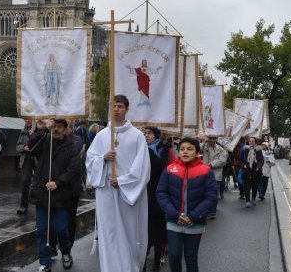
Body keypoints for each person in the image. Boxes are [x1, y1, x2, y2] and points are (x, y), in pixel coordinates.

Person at [86, 95, 151, 272]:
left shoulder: (137, 136)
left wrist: (122, 181)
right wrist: (103, 158)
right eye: (113, 106)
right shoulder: (101, 136)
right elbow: (90, 162)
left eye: (120, 106)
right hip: (106, 190)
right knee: (109, 233)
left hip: (127, 193)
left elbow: (143, 169)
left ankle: (130, 267)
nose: (116, 109)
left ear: (127, 109)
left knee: (128, 232)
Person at [156, 137, 217, 272]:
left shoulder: (206, 171)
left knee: (191, 257)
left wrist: (194, 216)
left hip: (195, 223)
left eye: (190, 149)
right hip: (173, 222)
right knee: (174, 255)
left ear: (197, 152)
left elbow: (211, 197)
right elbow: (161, 193)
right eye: (182, 149)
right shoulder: (169, 170)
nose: (185, 152)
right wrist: (174, 214)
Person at [28, 118, 82, 272]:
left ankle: (66, 252)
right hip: (42, 193)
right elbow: (31, 147)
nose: (56, 129)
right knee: (42, 231)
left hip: (61, 195)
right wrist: (44, 129)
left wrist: (58, 182)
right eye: (54, 127)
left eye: (59, 127)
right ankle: (45, 262)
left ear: (65, 129)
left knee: (60, 229)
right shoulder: (45, 142)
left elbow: (74, 170)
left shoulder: (71, 147)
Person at [143, 126, 169, 272]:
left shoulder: (163, 150)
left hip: (158, 195)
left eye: (150, 133)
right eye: (145, 133)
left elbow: (163, 167)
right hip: (142, 195)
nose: (146, 135)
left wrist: (147, 151)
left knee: (158, 231)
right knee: (144, 230)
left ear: (156, 135)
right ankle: (143, 258)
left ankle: (157, 258)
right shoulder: (139, 148)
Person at [16, 119, 40, 215]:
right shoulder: (23, 131)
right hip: (27, 159)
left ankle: (41, 204)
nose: (28, 121)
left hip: (39, 159)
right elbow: (17, 147)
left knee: (40, 181)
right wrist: (23, 147)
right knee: (25, 181)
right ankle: (23, 205)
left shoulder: (40, 130)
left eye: (30, 119)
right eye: (26, 119)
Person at [200, 136, 227, 218]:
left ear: (216, 139)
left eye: (214, 138)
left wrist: (211, 164)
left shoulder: (221, 149)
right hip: (202, 174)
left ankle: (212, 211)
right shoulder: (202, 146)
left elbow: (223, 160)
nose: (212, 140)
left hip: (215, 175)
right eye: (210, 138)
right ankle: (204, 209)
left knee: (213, 194)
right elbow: (196, 149)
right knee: (202, 193)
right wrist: (204, 142)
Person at [241, 137, 264, 208]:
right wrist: (243, 165)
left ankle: (253, 199)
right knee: (247, 187)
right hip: (247, 170)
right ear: (248, 142)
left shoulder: (258, 150)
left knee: (255, 187)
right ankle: (247, 201)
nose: (251, 142)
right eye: (250, 141)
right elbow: (241, 159)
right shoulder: (245, 150)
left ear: (255, 143)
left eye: (253, 141)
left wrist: (258, 167)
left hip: (255, 171)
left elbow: (261, 160)